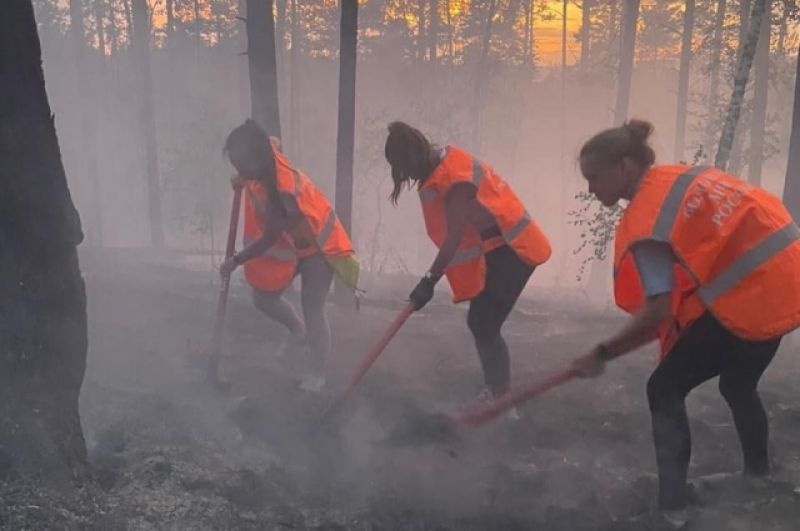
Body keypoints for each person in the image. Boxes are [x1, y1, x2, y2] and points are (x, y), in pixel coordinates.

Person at [571, 119, 800, 525]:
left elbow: (657, 312)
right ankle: (758, 474)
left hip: (758, 294)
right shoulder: (675, 179)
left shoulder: (648, 222)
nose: (591, 189)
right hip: (787, 278)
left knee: (663, 388)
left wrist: (602, 352)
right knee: (737, 382)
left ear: (624, 167)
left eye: (595, 177)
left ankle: (673, 508)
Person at [383, 121, 552, 409]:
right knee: (482, 322)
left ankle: (501, 399)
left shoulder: (454, 179)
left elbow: (454, 237)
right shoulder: (445, 164)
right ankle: (498, 392)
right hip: (499, 249)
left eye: (403, 167)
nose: (406, 175)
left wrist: (428, 281)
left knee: (483, 322)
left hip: (513, 248)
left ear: (413, 155)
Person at [220, 120, 359, 392]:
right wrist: (243, 177)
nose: (239, 171)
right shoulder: (265, 154)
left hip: (319, 244)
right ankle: (297, 331)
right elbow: (274, 140)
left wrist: (234, 261)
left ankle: (318, 374)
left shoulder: (281, 193)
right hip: (297, 242)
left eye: (241, 165)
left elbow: (270, 237)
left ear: (256, 158)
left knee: (313, 309)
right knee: (263, 298)